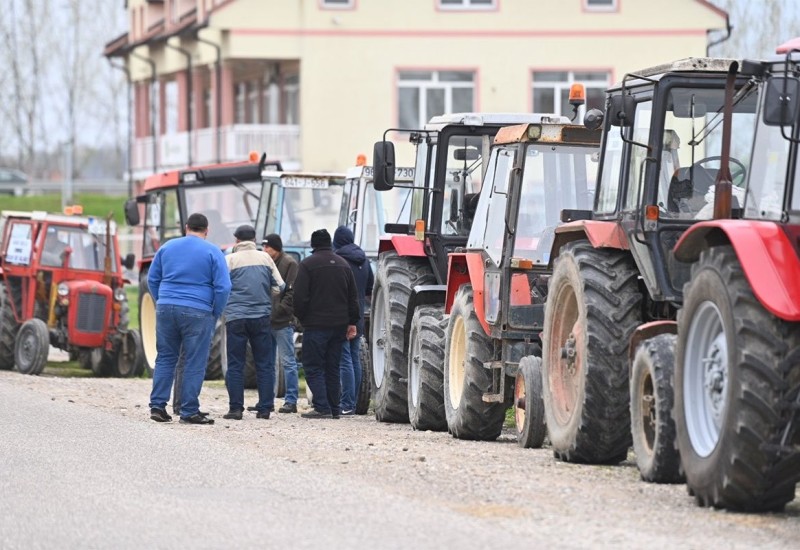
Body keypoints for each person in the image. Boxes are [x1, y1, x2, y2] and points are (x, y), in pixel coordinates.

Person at [148, 213, 231, 425]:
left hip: (166, 307)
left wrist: (162, 301)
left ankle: (158, 406)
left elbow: (152, 278)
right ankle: (188, 411)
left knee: (165, 357)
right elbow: (223, 287)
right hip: (198, 310)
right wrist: (215, 310)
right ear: (207, 230)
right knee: (195, 360)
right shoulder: (213, 251)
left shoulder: (167, 247)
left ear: (186, 227)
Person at [293, 228, 359, 419]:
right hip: (339, 325)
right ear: (330, 243)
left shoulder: (307, 265)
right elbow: (352, 297)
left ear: (313, 244)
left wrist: (302, 318)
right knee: (333, 366)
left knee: (313, 366)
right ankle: (335, 408)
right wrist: (352, 321)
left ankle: (322, 407)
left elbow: (299, 297)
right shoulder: (343, 264)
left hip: (315, 325)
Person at [222, 224, 284, 420]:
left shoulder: (229, 260)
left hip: (236, 318)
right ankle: (265, 408)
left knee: (235, 364)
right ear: (254, 240)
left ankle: (235, 409)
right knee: (264, 363)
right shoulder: (265, 258)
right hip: (261, 317)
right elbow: (280, 286)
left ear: (237, 241)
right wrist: (266, 293)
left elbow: (221, 288)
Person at [332, 226, 374, 416]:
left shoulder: (339, 260)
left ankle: (347, 403)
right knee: (354, 358)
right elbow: (369, 288)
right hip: (358, 315)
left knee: (344, 360)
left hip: (342, 314)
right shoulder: (364, 260)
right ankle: (355, 402)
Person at [262, 234, 301, 414]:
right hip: (266, 319)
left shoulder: (290, 263)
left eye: (268, 247)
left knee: (288, 361)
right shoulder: (266, 262)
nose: (265, 251)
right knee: (267, 362)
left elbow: (292, 293)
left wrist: (278, 311)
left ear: (276, 248)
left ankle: (291, 400)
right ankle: (266, 400)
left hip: (282, 321)